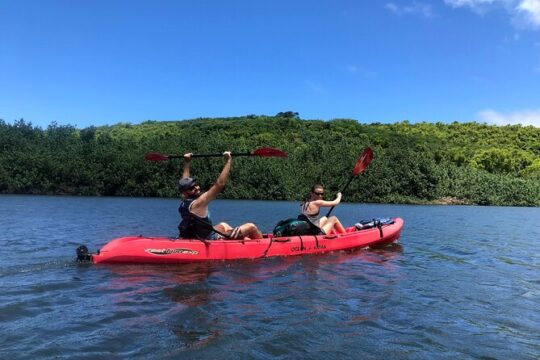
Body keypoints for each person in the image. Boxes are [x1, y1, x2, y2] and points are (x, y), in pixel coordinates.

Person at [178, 151, 263, 240]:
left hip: (199, 235)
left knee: (223, 225)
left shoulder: (184, 201)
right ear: (185, 192)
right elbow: (220, 184)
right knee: (251, 227)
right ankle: (261, 244)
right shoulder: (199, 203)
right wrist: (228, 161)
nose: (197, 188)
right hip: (210, 238)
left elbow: (184, 181)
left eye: (195, 185)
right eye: (192, 188)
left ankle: (243, 239)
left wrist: (187, 162)